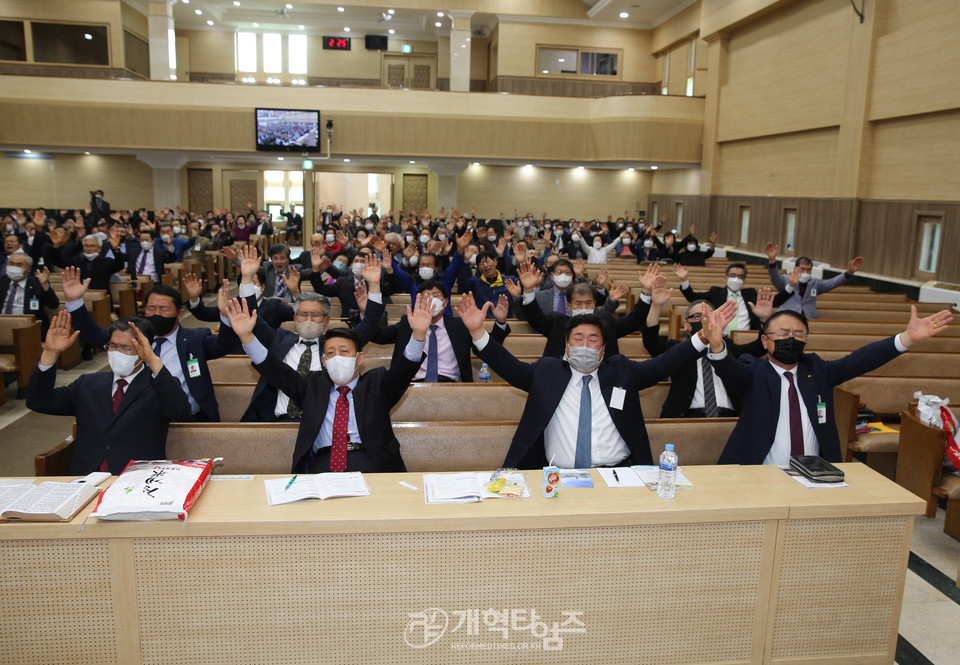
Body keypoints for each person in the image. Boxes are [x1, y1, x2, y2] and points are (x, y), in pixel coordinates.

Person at [457, 292, 711, 469]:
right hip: (558, 476)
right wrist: (477, 332)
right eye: (578, 339)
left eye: (593, 340)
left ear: (603, 348)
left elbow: (665, 363)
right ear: (566, 346)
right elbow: (508, 366)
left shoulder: (622, 371)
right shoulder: (547, 372)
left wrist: (703, 337)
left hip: (619, 473)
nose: (585, 345)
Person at [699, 305, 954, 465]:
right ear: (765, 342)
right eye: (783, 334)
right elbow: (729, 372)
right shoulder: (752, 370)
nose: (792, 339)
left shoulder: (817, 371)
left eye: (798, 335)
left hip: (815, 475)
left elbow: (859, 360)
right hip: (757, 473)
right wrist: (717, 345)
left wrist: (906, 338)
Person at [225, 292, 434, 473]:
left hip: (370, 461)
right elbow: (275, 370)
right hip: (322, 462)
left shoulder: (376, 383)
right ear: (324, 361)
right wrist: (247, 337)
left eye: (344, 352)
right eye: (331, 353)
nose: (337, 357)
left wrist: (418, 335)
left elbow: (404, 371)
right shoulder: (312, 386)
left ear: (359, 358)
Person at [25, 311, 191, 474]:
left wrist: (153, 360)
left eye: (126, 348)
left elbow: (181, 411)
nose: (117, 353)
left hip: (134, 480)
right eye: (113, 346)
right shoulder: (87, 384)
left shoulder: (158, 385)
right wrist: (50, 354)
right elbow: (39, 401)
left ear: (145, 349)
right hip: (86, 478)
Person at [61, 268, 237, 421]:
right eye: (151, 309)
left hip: (189, 418)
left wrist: (224, 315)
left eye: (164, 309)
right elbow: (92, 333)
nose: (157, 314)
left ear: (179, 314)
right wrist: (74, 301)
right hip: (140, 419)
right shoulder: (130, 336)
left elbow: (225, 345)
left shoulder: (196, 338)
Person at [232, 255, 386, 421]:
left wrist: (375, 285)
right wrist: (247, 278)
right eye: (303, 314)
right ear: (295, 318)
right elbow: (251, 317)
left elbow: (369, 325)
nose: (309, 319)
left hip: (320, 422)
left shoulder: (335, 345)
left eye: (315, 314)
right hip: (275, 420)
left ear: (327, 320)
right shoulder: (279, 339)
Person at [642, 277, 772, 418]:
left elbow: (760, 347)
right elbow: (651, 343)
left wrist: (764, 320)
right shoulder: (678, 350)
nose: (704, 320)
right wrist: (656, 306)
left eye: (709, 316)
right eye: (698, 316)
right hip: (686, 417)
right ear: (687, 325)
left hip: (730, 417)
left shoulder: (727, 347)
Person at [373, 280, 509, 383]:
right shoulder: (407, 324)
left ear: (445, 302)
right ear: (419, 302)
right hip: (411, 386)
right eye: (426, 295)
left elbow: (490, 349)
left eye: (436, 295)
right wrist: (366, 312)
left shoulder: (460, 326)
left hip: (453, 386)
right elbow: (377, 336)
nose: (431, 299)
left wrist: (500, 322)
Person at [506, 261, 647, 359]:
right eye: (578, 304)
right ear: (569, 306)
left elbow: (633, 322)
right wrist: (529, 290)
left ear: (594, 304)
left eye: (588, 303)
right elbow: (536, 319)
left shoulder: (605, 321)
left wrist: (646, 292)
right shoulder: (557, 322)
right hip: (561, 379)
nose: (584, 308)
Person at [764, 242, 864, 319]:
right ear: (796, 268)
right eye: (803, 269)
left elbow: (832, 283)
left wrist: (849, 272)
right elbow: (775, 277)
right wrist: (772, 260)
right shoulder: (786, 279)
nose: (806, 272)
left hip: (808, 320)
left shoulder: (814, 283)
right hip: (786, 318)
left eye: (808, 270)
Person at [676, 261, 762, 332]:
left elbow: (774, 302)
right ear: (726, 278)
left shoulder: (751, 294)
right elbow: (692, 297)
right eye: (732, 275)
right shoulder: (715, 292)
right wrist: (684, 280)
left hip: (746, 339)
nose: (736, 279)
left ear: (744, 280)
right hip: (720, 338)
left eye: (740, 277)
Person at [0, 251, 58, 334]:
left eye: (19, 265)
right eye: (11, 264)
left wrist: (45, 285)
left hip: (29, 329)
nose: (14, 267)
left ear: (28, 269)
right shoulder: (2, 282)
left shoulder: (36, 283)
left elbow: (53, 304)